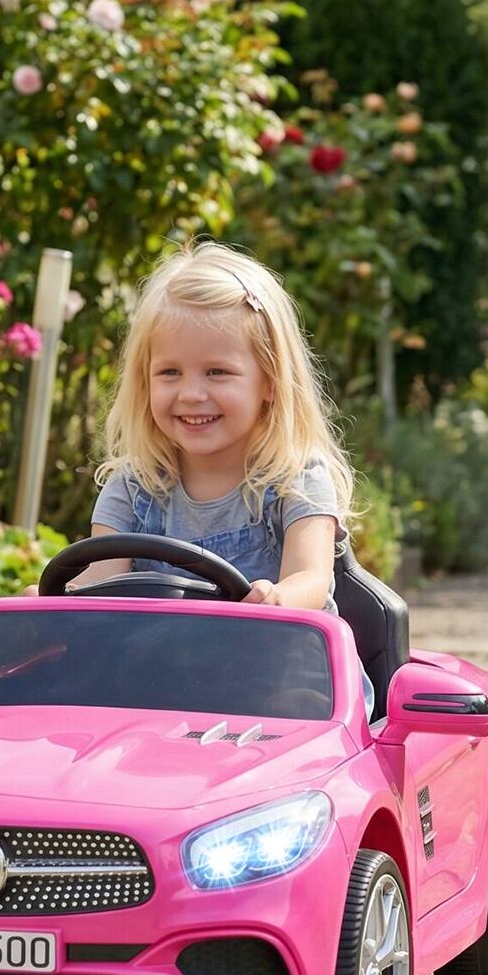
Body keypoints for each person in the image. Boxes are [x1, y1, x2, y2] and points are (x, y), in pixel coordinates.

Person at [70, 239, 372, 715]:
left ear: (270, 381)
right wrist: (55, 605)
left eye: (216, 372)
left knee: (292, 707)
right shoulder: (131, 486)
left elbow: (312, 577)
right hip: (159, 685)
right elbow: (99, 583)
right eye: (169, 372)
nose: (191, 394)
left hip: (282, 682)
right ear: (144, 381)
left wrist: (280, 597)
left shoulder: (295, 476)